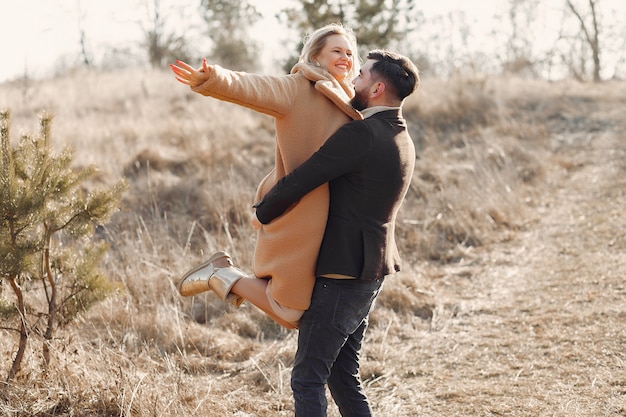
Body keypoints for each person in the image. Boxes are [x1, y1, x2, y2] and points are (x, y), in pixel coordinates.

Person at [253, 50, 420, 416]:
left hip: (342, 273)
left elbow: (306, 176)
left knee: (308, 378)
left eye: (360, 75)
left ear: (376, 88)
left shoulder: (362, 134)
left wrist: (264, 211)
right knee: (343, 378)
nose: (354, 81)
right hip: (371, 269)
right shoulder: (401, 135)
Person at [170, 24, 362, 329]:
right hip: (302, 212)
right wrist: (214, 78)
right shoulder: (299, 87)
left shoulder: (353, 98)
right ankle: (221, 274)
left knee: (307, 311)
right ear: (316, 55)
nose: (345, 58)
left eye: (350, 53)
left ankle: (222, 275)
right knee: (291, 312)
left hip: (338, 220)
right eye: (336, 51)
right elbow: (254, 86)